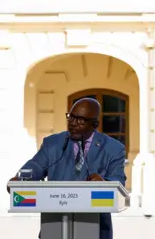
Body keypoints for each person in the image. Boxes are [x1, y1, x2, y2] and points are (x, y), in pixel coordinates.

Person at [7, 97, 126, 239]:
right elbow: (36, 166)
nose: (73, 124)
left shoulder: (113, 148)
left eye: (80, 120)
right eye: (71, 117)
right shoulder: (53, 143)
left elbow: (118, 182)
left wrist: (104, 184)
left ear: (95, 124)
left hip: (95, 230)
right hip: (54, 228)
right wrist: (19, 180)